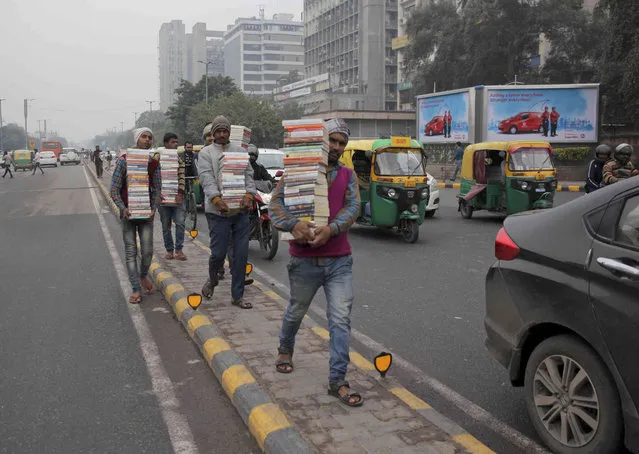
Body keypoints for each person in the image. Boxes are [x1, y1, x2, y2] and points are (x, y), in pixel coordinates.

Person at [269, 118, 363, 407]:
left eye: (341, 143)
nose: (335, 147)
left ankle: (338, 380)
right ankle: (285, 349)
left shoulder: (348, 175)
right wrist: (293, 224)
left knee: (340, 319)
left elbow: (353, 208)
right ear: (321, 141)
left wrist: (331, 229)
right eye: (331, 140)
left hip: (339, 262)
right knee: (296, 311)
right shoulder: (295, 173)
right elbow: (274, 206)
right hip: (304, 261)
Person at [198, 116, 256, 309]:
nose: (222, 134)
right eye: (219, 131)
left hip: (240, 212)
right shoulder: (206, 153)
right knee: (218, 253)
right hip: (218, 212)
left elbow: (248, 174)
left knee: (240, 255)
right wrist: (216, 199)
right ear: (213, 133)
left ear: (229, 132)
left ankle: (237, 296)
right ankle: (213, 279)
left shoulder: (240, 151)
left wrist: (249, 194)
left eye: (225, 131)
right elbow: (206, 177)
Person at [110, 127, 161, 304]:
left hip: (146, 214)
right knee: (131, 252)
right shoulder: (124, 161)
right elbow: (114, 189)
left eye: (150, 137)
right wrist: (122, 208)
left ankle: (143, 275)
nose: (147, 140)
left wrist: (154, 207)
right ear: (137, 140)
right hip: (128, 214)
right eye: (144, 137)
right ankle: (136, 289)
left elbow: (157, 188)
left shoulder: (153, 163)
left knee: (147, 251)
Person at [159, 133, 187, 261]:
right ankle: (169, 250)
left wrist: (180, 193)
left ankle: (179, 250)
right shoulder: (157, 158)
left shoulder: (179, 159)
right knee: (166, 226)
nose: (175, 144)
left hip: (177, 198)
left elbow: (181, 177)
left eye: (176, 142)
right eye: (172, 142)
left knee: (180, 223)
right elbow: (155, 177)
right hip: (163, 199)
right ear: (165, 143)